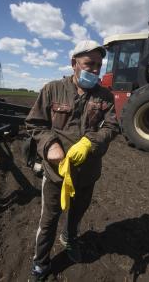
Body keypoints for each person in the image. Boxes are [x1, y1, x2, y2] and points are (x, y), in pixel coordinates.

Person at [25, 40, 119, 280]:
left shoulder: (105, 96)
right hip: (56, 174)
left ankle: (69, 238)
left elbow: (111, 126)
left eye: (99, 65)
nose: (96, 70)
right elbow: (35, 124)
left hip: (87, 174)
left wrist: (91, 142)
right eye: (89, 64)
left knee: (76, 214)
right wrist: (50, 144)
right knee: (48, 221)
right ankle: (41, 263)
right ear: (73, 63)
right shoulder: (52, 89)